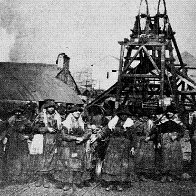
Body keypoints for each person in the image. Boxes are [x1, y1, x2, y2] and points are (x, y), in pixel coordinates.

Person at [55, 105, 91, 195]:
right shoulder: (65, 123)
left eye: (79, 111)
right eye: (75, 111)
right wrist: (75, 138)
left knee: (78, 164)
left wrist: (83, 138)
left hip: (79, 145)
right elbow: (63, 136)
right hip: (68, 145)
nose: (78, 112)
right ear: (71, 113)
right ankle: (67, 183)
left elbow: (88, 132)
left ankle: (75, 182)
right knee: (67, 164)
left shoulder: (82, 123)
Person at [99, 105, 136, 191]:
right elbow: (106, 131)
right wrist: (99, 136)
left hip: (124, 146)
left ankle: (119, 184)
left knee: (122, 165)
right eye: (122, 114)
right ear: (119, 114)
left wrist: (133, 147)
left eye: (126, 114)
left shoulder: (130, 124)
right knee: (111, 164)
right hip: (113, 146)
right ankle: (111, 183)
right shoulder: (113, 122)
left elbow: (133, 137)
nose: (124, 116)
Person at [147, 105, 185, 182]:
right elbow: (158, 131)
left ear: (174, 113)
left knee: (174, 156)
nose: (169, 113)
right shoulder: (162, 121)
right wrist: (158, 142)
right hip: (164, 139)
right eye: (168, 112)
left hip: (174, 140)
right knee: (164, 156)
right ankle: (164, 174)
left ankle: (171, 174)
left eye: (171, 112)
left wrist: (177, 136)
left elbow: (182, 131)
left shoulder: (178, 121)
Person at [33, 99, 62, 188]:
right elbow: (35, 127)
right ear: (46, 107)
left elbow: (60, 128)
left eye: (52, 107)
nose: (51, 109)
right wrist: (46, 129)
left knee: (50, 159)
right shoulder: (41, 116)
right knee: (41, 159)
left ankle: (46, 178)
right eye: (49, 107)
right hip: (43, 140)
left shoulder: (57, 116)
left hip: (53, 140)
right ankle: (39, 178)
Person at [6, 107, 33, 183]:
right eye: (16, 112)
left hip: (22, 141)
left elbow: (31, 130)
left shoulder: (26, 121)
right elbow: (6, 129)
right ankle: (13, 176)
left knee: (23, 158)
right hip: (12, 141)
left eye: (19, 112)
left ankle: (23, 177)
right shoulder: (11, 120)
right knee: (13, 158)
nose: (18, 114)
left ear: (22, 112)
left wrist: (27, 136)